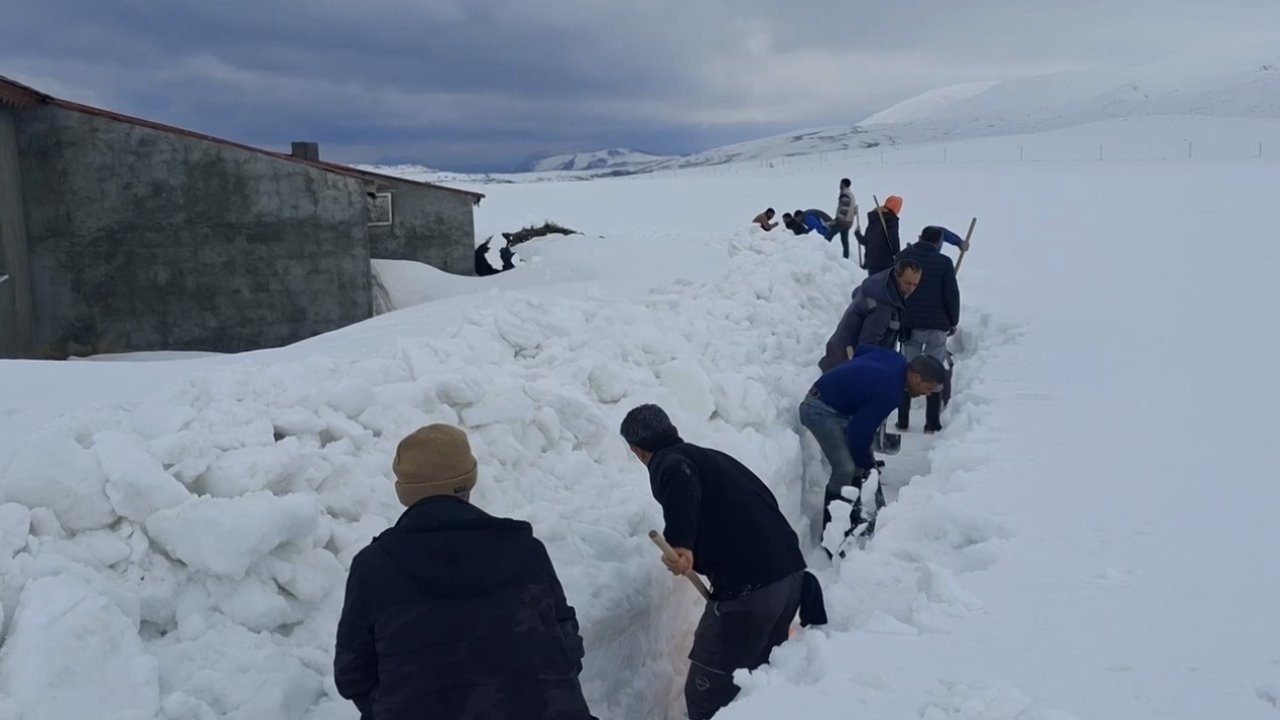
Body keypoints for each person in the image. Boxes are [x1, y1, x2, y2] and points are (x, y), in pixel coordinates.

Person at [334, 424, 595, 720]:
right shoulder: (525, 552)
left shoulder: (374, 568)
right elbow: (567, 645)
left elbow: (351, 674)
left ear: (404, 492)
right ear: (469, 481)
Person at [620, 404, 825, 720]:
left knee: (706, 693)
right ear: (672, 430)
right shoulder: (712, 459)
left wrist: (681, 546)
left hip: (750, 592)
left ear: (638, 450)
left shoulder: (671, 462)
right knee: (758, 679)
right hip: (790, 578)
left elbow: (680, 489)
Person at [799, 347, 948, 533]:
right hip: (818, 410)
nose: (926, 394)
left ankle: (852, 519)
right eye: (927, 389)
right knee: (845, 468)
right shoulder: (891, 391)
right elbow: (858, 433)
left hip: (836, 405)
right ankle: (832, 532)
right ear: (916, 377)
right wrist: (869, 465)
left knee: (858, 463)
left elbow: (862, 350)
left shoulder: (895, 358)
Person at [895, 226, 964, 433]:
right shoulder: (944, 263)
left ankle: (903, 420)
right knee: (934, 370)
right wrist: (952, 321)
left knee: (908, 371)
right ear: (938, 243)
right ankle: (931, 423)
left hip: (909, 324)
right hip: (937, 325)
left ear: (920, 237)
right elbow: (952, 295)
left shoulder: (904, 256)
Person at [817, 258, 922, 372]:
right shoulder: (883, 304)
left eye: (915, 285)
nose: (910, 289)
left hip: (838, 354)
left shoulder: (883, 282)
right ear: (897, 276)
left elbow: (857, 293)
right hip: (846, 364)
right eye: (907, 283)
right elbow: (868, 345)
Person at [854, 195, 903, 274]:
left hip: (871, 262)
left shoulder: (874, 219)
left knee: (872, 284)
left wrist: (857, 234)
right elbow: (893, 239)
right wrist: (897, 255)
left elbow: (866, 241)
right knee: (882, 285)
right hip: (884, 262)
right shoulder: (891, 219)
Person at [830, 178, 857, 260]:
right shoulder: (851, 194)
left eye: (841, 183)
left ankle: (823, 252)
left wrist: (837, 219)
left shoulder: (845, 194)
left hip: (842, 221)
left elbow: (844, 208)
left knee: (828, 236)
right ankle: (846, 258)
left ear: (843, 184)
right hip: (849, 222)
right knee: (845, 241)